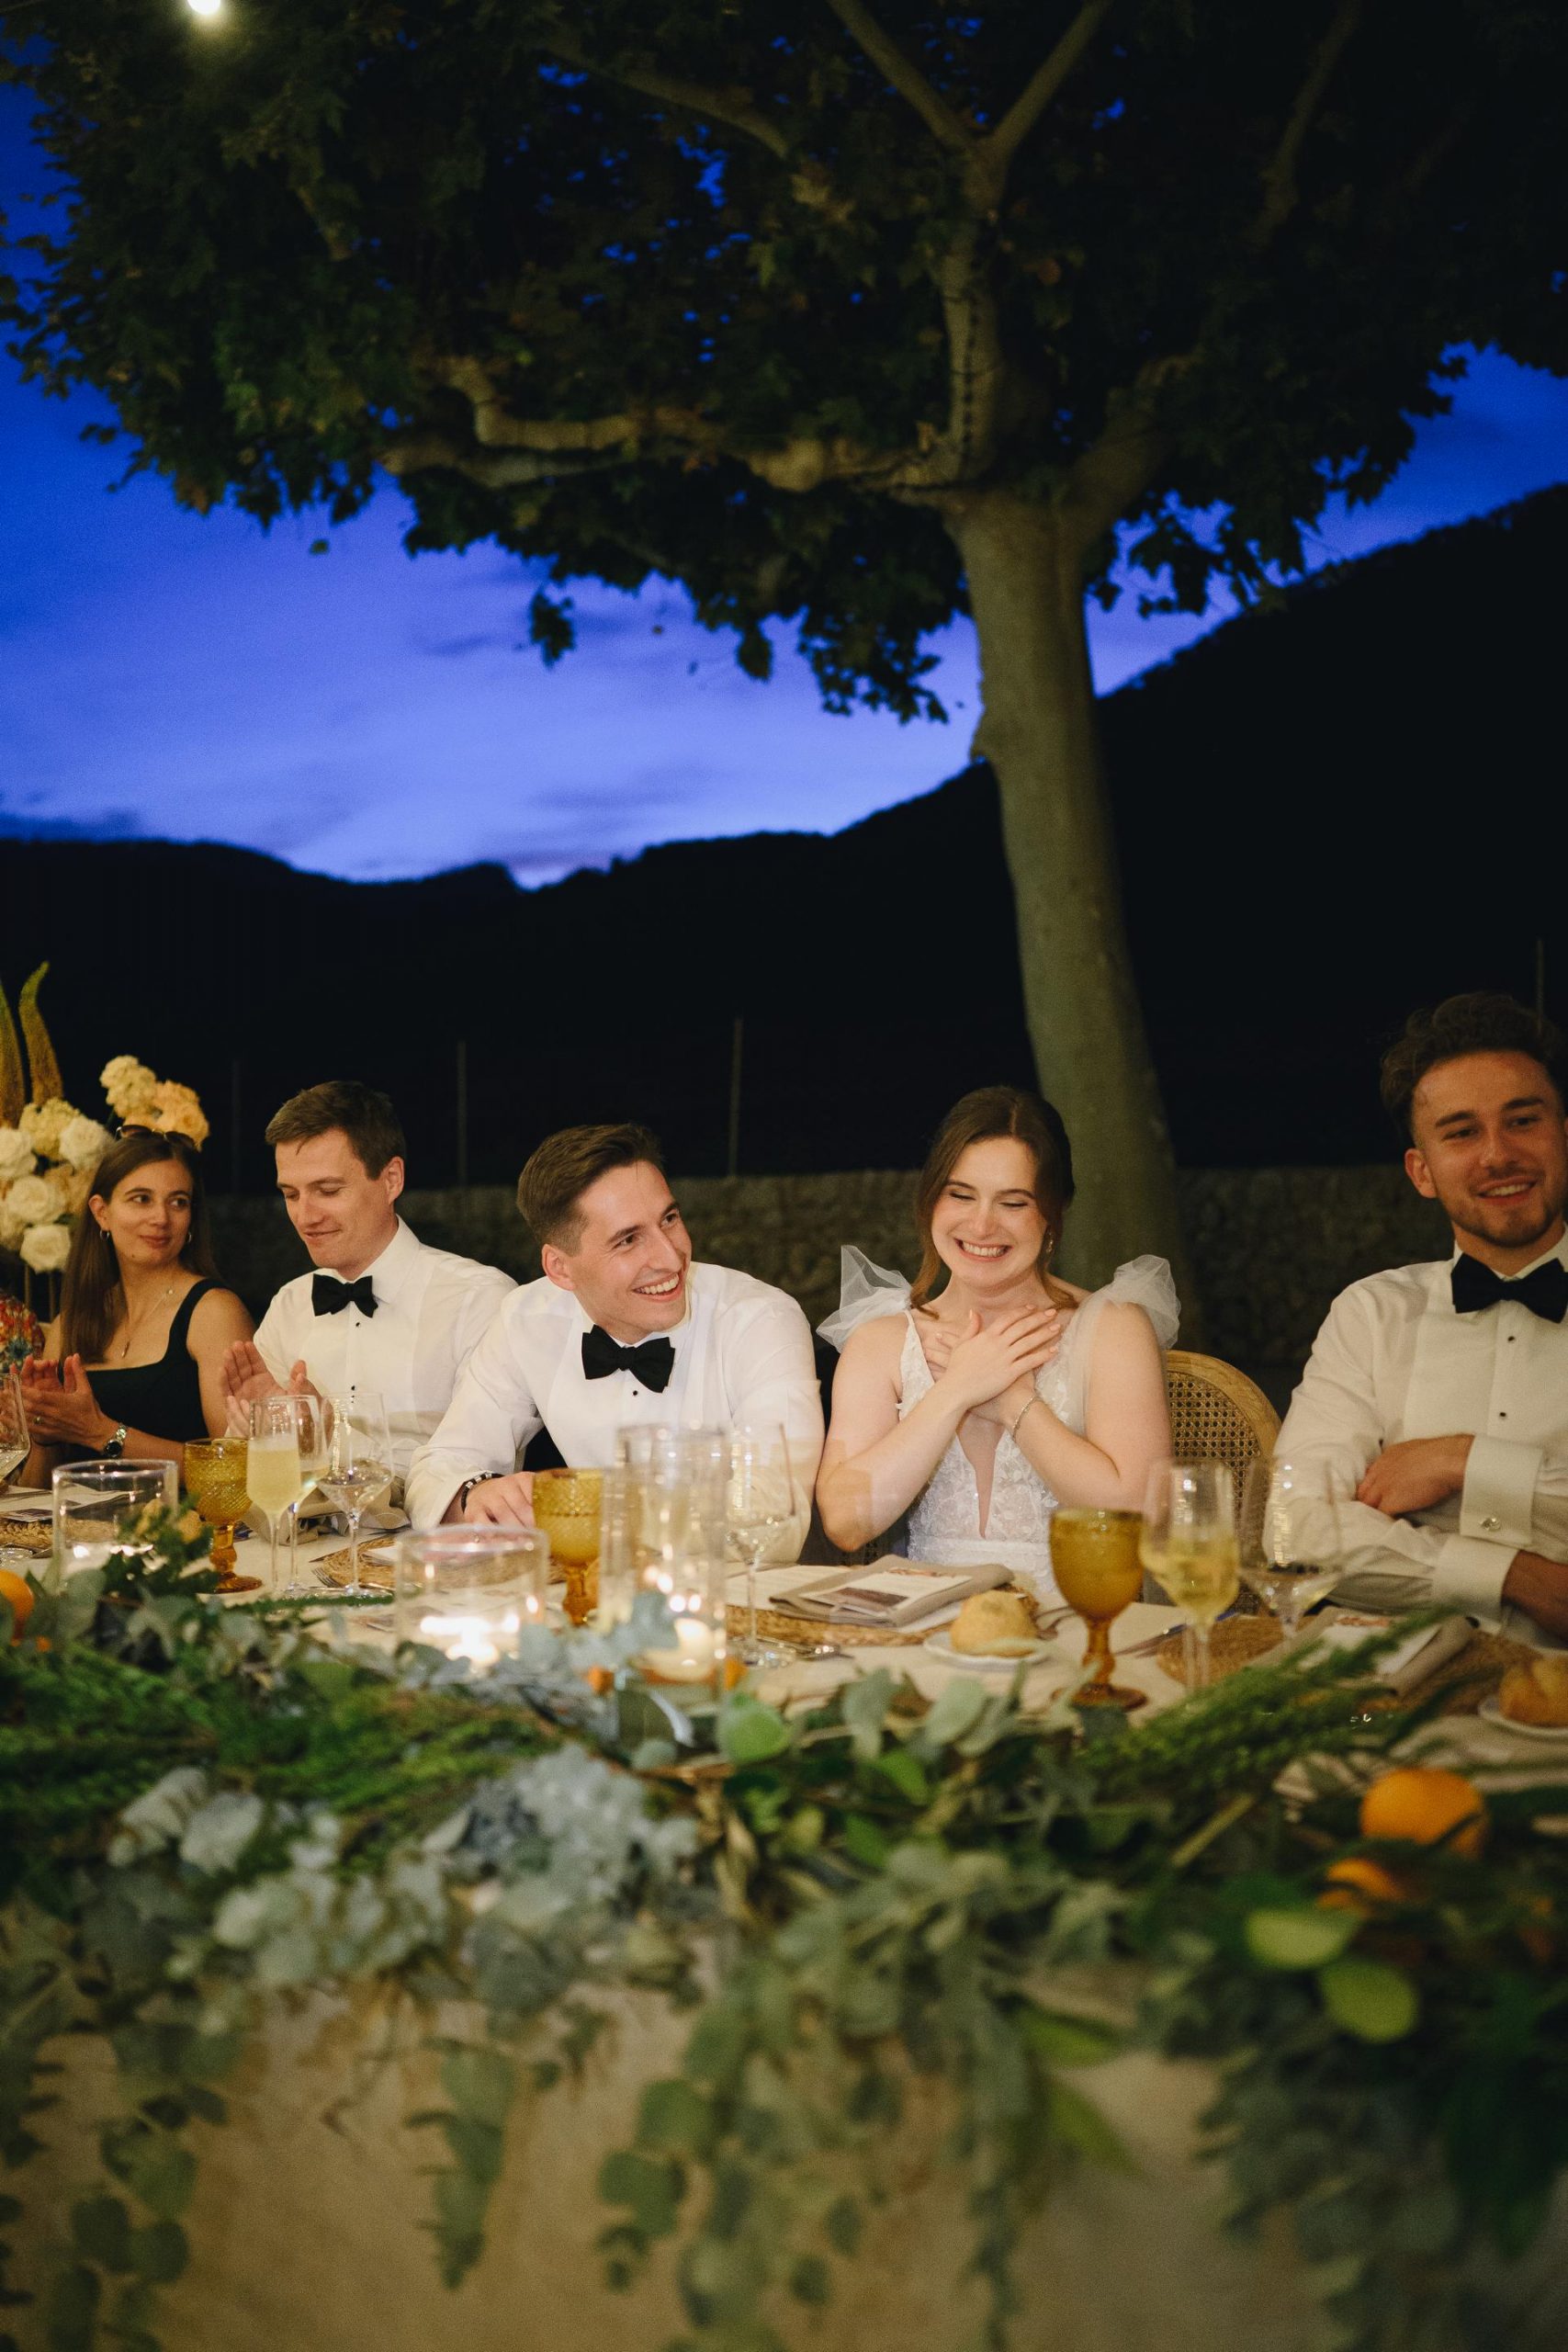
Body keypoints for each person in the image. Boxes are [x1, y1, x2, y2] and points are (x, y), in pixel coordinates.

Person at [1278, 992, 1568, 1645]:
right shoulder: (1370, 1314)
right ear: (1422, 1171)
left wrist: (1463, 1461)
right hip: (1405, 1679)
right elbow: (1297, 1525)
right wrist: (1522, 1577)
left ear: (1563, 1135)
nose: (1497, 1154)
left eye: (1522, 1121)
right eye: (1461, 1133)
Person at [814, 1086, 1176, 1601]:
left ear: (1053, 1213)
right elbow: (846, 1522)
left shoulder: (1111, 1328)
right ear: (930, 1200)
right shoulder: (882, 1339)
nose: (982, 1225)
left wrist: (1012, 1400)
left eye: (1013, 1203)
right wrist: (957, 1390)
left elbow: (1140, 1519)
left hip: (1082, 1622)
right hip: (926, 1626)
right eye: (961, 1195)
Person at [404, 1121, 824, 1533]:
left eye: (669, 1219)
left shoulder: (760, 1319)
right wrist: (474, 1495)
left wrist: (588, 1507)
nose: (671, 1257)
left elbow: (775, 1508)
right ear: (560, 1268)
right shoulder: (527, 1319)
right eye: (628, 1240)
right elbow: (436, 1468)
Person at [220, 1080, 514, 1477]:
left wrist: (329, 1437)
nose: (305, 1217)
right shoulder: (290, 1304)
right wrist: (260, 1432)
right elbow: (259, 1478)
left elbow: (473, 1472)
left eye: (328, 1190)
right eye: (291, 1195)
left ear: (391, 1179)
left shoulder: (478, 1300)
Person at [19, 1129, 254, 1478]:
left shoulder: (214, 1311)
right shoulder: (69, 1324)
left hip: (182, 1515)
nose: (161, 1218)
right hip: (77, 1514)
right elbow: (38, 1495)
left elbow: (237, 1469)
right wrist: (44, 1435)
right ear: (101, 1213)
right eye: (141, 1199)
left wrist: (102, 1432)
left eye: (178, 1202)